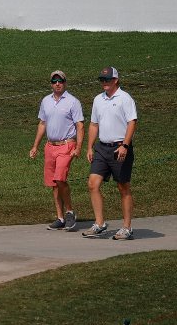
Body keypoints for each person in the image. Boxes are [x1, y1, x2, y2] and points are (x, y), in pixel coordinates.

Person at [83, 66, 138, 241]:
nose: (104, 83)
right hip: (102, 148)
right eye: (102, 80)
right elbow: (93, 124)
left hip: (119, 148)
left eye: (107, 80)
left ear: (116, 80)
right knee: (93, 183)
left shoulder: (125, 98)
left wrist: (125, 146)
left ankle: (127, 227)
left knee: (123, 187)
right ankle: (99, 223)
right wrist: (90, 147)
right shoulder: (98, 100)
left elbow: (132, 122)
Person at [29, 70, 85, 231]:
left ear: (65, 83)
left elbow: (80, 125)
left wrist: (79, 147)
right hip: (50, 146)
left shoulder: (73, 102)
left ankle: (70, 212)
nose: (57, 84)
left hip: (67, 145)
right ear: (51, 84)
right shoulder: (46, 101)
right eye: (54, 81)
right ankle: (60, 217)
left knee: (60, 178)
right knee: (54, 183)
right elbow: (42, 123)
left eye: (60, 81)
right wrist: (35, 146)